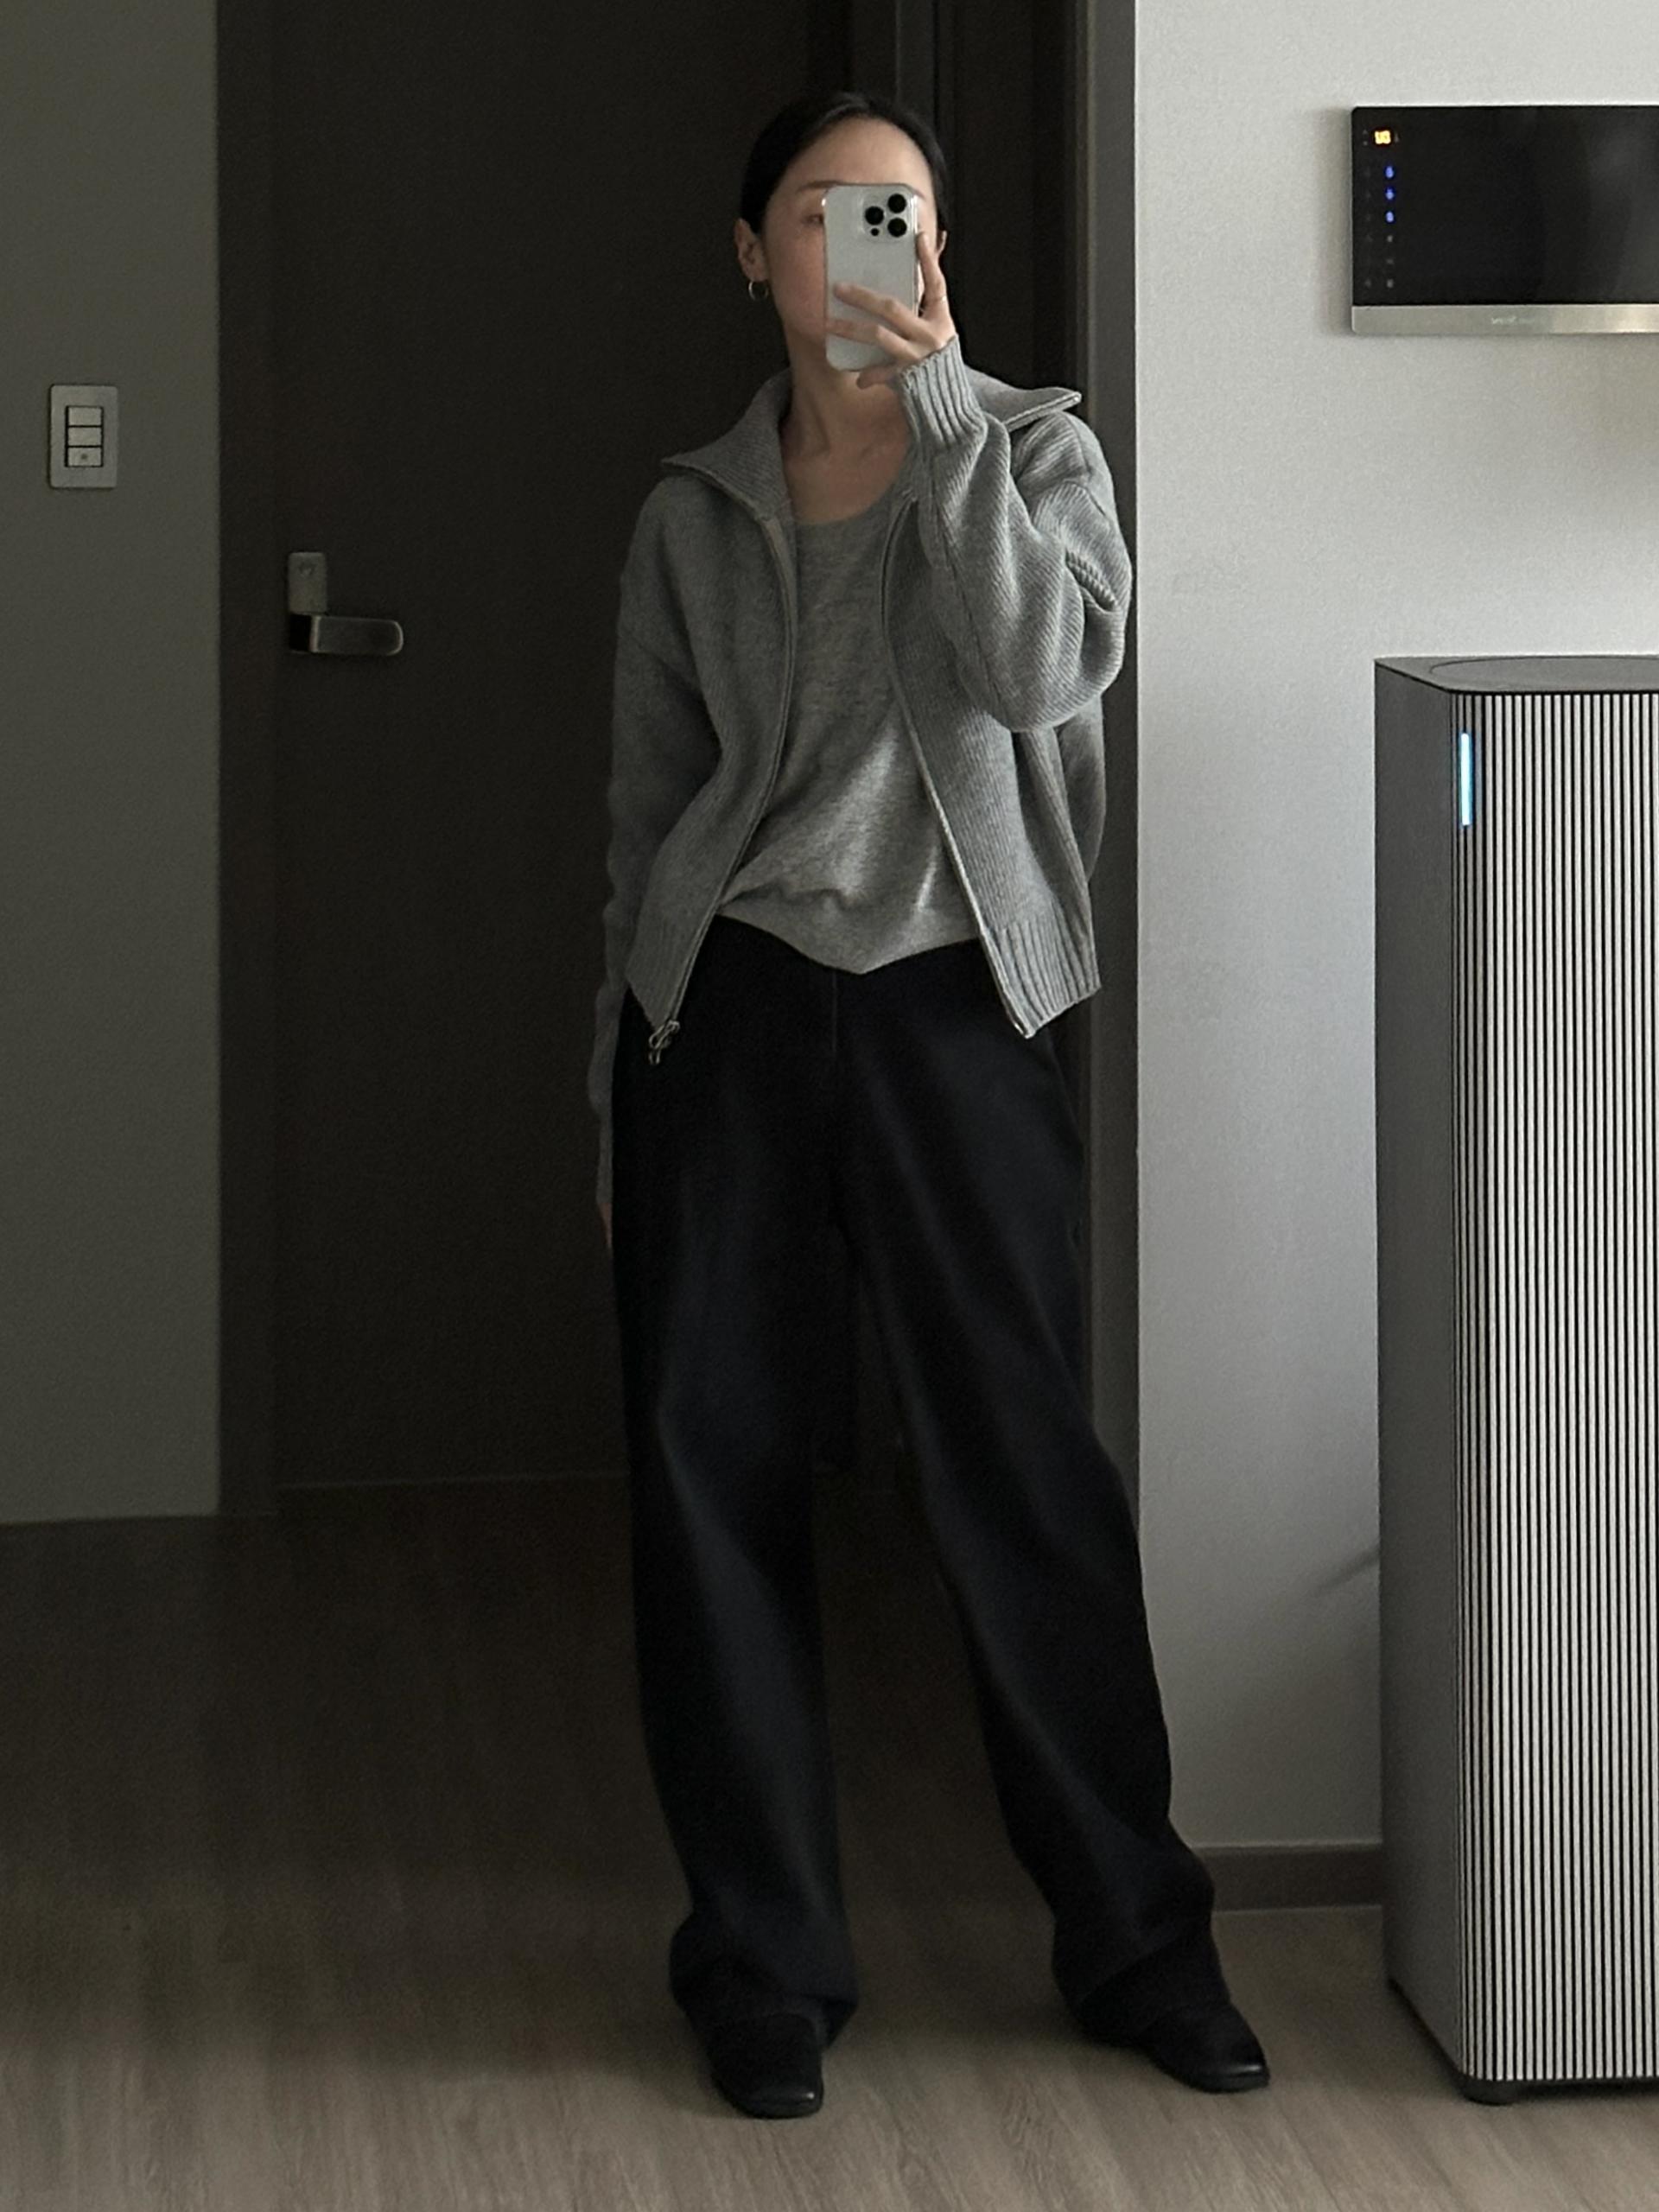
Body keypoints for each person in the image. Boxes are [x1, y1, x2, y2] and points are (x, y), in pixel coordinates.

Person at [587, 86, 1269, 2120]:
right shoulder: (692, 513)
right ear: (752, 253)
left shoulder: (1037, 451)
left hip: (959, 1013)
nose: (860, 244)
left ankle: (1142, 1945)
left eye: (897, 211)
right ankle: (762, 1961)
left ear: (936, 247)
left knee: (1022, 1476)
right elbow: (641, 825)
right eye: (821, 211)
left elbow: (1044, 670)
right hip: (725, 1018)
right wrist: (609, 1082)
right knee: (712, 1484)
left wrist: (947, 413)